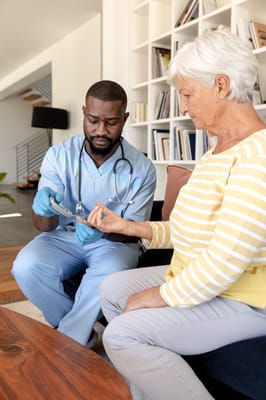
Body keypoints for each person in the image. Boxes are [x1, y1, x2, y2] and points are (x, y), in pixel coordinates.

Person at [80, 31, 266, 399]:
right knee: (113, 289)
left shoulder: (256, 156)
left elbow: (226, 260)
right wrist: (127, 226)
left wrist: (159, 296)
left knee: (122, 332)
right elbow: (185, 230)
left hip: (246, 298)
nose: (183, 106)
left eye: (187, 93)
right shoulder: (216, 153)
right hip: (210, 281)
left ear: (221, 85)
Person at [12, 80, 156, 347]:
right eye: (93, 120)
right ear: (84, 113)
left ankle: (68, 342)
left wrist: (104, 230)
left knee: (110, 271)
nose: (101, 130)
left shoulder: (142, 168)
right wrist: (40, 207)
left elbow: (133, 231)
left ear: (125, 118)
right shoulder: (58, 156)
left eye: (111, 122)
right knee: (25, 266)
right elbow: (44, 226)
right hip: (63, 236)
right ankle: (78, 331)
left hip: (114, 243)